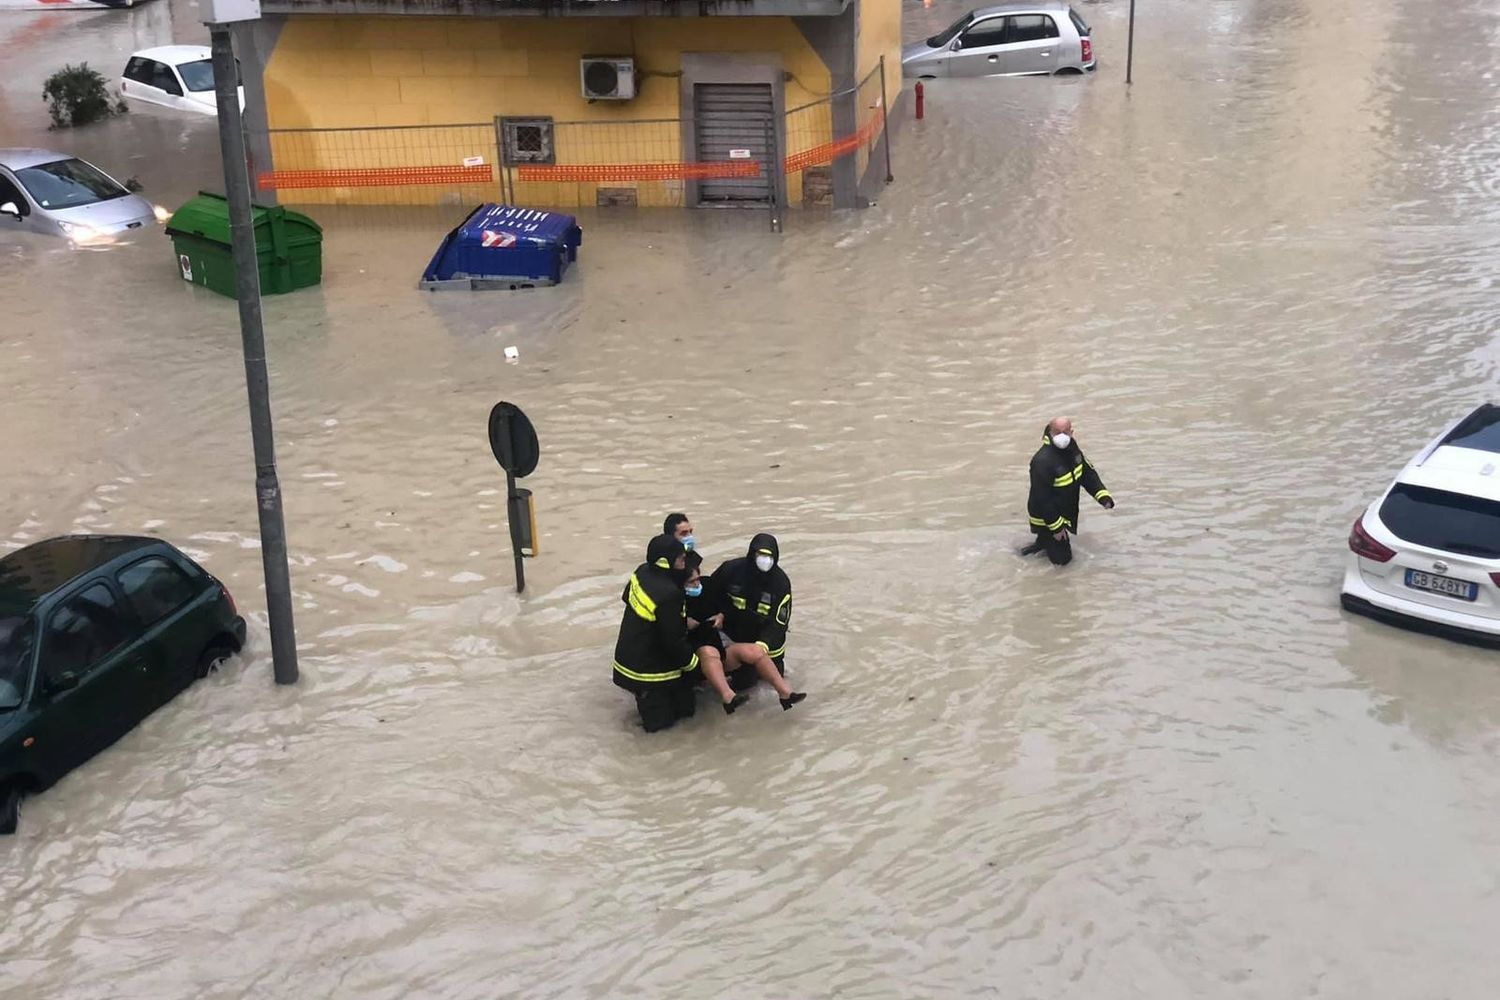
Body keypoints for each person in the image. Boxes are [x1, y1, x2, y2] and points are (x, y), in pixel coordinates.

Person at [613, 534, 701, 732]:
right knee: (661, 729)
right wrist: (695, 666)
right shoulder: (669, 594)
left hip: (629, 658)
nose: (683, 563)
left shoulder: (642, 572)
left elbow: (626, 596)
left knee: (686, 709)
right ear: (665, 562)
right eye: (680, 560)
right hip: (648, 673)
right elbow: (674, 642)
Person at [710, 533, 807, 710]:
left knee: (771, 680)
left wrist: (764, 644)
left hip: (768, 640)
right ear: (751, 554)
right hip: (736, 635)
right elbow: (711, 593)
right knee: (744, 683)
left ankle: (784, 694)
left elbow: (779, 621)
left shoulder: (780, 583)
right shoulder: (731, 571)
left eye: (769, 556)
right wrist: (721, 613)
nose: (765, 560)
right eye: (761, 555)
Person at [1021, 416, 1115, 566]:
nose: (1062, 436)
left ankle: (1037, 547)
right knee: (1064, 562)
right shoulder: (1042, 461)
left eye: (1065, 432)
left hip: (1062, 511)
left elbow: (1086, 473)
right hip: (1047, 517)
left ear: (1071, 432)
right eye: (1057, 432)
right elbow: (1043, 500)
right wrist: (1057, 528)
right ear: (1050, 433)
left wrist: (1102, 496)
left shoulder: (1072, 449)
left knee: (1048, 545)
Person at [682, 550, 749, 714]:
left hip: (717, 637)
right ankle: (728, 696)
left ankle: (785, 692)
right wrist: (685, 623)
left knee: (754, 652)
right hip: (695, 645)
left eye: (698, 579)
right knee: (709, 654)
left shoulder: (709, 585)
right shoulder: (673, 598)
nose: (697, 584)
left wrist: (721, 616)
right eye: (692, 581)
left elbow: (727, 605)